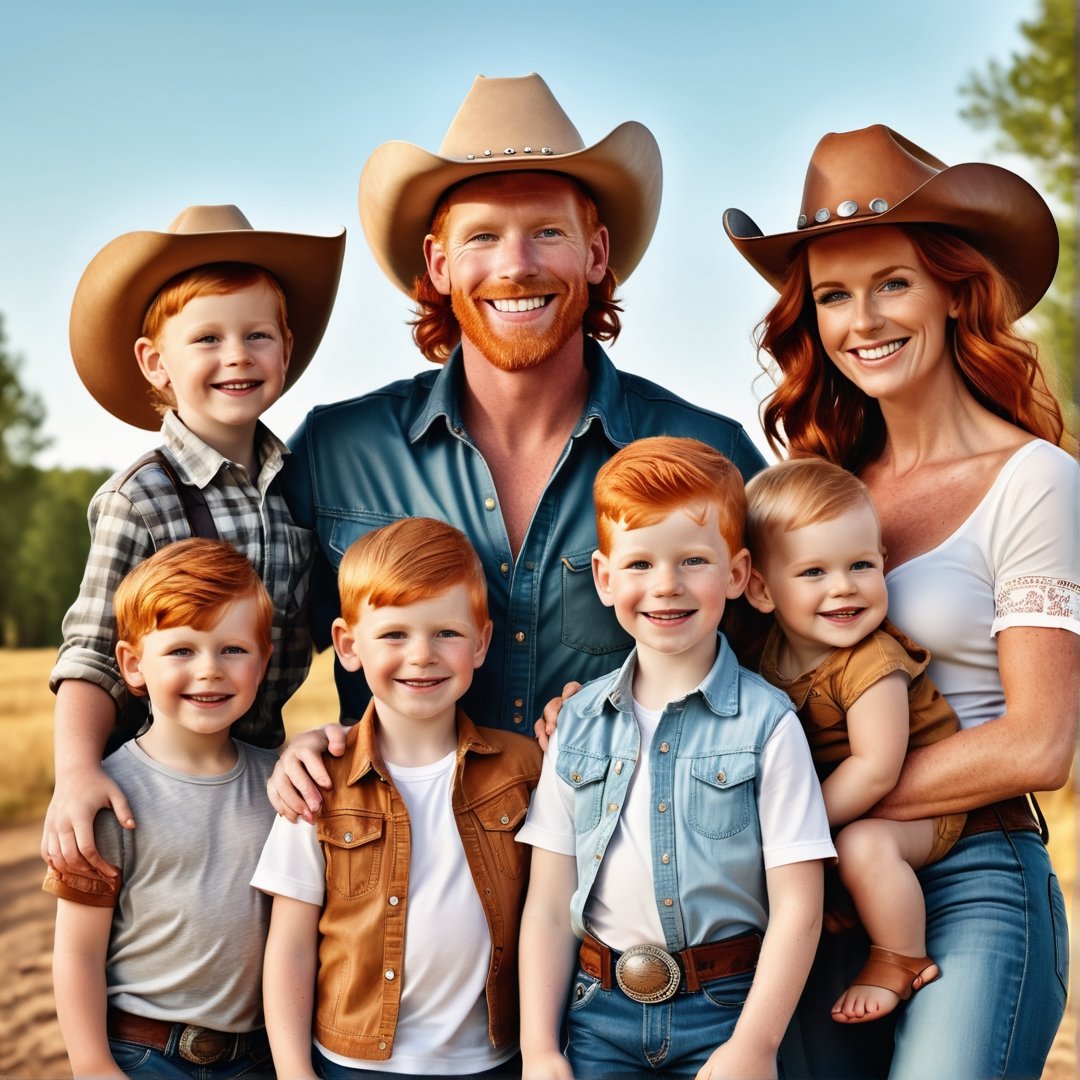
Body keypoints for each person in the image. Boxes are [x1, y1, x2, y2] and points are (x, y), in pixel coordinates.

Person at [269, 73, 766, 820]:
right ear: (438, 265)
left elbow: (792, 670)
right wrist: (284, 749)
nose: (516, 265)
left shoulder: (706, 450)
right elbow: (234, 658)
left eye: (548, 232)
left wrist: (651, 726)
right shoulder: (338, 449)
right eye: (482, 237)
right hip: (399, 896)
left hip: (626, 901)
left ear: (596, 254)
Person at [724, 124, 1079, 1077]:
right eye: (833, 296)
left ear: (955, 293)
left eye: (893, 283)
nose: (862, 320)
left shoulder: (1034, 479)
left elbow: (1038, 744)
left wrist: (817, 812)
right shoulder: (818, 485)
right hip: (813, 893)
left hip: (973, 876)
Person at [516, 436, 835, 1079]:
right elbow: (549, 904)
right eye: (639, 565)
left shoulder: (769, 724)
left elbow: (800, 904)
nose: (667, 586)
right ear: (604, 579)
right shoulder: (578, 724)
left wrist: (755, 1045)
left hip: (727, 1011)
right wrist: (540, 1049)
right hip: (597, 1013)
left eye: (693, 560)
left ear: (739, 574)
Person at [43, 204, 345, 881]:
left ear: (285, 352)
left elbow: (326, 627)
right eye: (207, 339)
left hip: (260, 775)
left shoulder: (298, 488)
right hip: (158, 778)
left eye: (257, 336)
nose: (236, 355)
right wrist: (76, 773)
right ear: (156, 363)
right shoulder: (141, 499)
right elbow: (92, 651)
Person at [253, 517, 541, 1079]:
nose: (421, 655)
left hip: (494, 1060)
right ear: (347, 645)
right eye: (394, 635)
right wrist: (293, 1072)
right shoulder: (319, 780)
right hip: (352, 1062)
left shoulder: (524, 769)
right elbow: (288, 945)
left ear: (481, 642)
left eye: (447, 633)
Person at [45, 538, 279, 1079]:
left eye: (233, 649)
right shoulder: (107, 796)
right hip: (143, 1055)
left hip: (258, 1058)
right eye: (181, 650)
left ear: (263, 661)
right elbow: (77, 952)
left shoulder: (280, 785)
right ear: (132, 665)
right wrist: (92, 1064)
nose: (210, 670)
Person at [744, 456, 966, 1024]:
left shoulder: (872, 661)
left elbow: (876, 768)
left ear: (883, 563)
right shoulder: (763, 656)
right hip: (841, 808)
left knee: (865, 846)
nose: (844, 586)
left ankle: (899, 956)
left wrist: (795, 831)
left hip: (924, 809)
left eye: (861, 565)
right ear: (762, 591)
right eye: (813, 572)